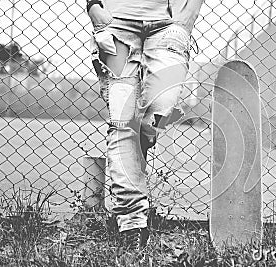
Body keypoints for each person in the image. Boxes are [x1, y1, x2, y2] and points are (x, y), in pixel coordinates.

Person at [86, 0, 204, 250]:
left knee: (160, 109)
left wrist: (188, 15)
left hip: (169, 24)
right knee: (123, 122)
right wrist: (94, 7)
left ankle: (133, 161)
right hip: (116, 24)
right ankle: (132, 222)